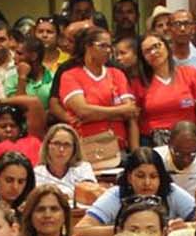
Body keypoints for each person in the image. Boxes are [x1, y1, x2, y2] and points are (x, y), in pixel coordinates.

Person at [51, 25, 137, 167]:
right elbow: (82, 111)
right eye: (103, 46)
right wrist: (119, 112)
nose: (108, 51)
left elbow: (131, 111)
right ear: (88, 47)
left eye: (110, 46)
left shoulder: (117, 74)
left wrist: (92, 115)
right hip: (86, 151)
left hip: (118, 149)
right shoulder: (70, 75)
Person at [73, 145, 196, 236]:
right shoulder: (116, 195)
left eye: (154, 176)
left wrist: (186, 226)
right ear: (129, 177)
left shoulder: (171, 192)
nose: (147, 183)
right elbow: (79, 231)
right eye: (140, 176)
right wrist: (123, 231)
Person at [32, 122, 100, 203]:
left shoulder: (83, 168)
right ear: (47, 145)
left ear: (74, 148)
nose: (61, 149)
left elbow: (90, 194)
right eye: (56, 143)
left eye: (67, 145)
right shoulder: (37, 173)